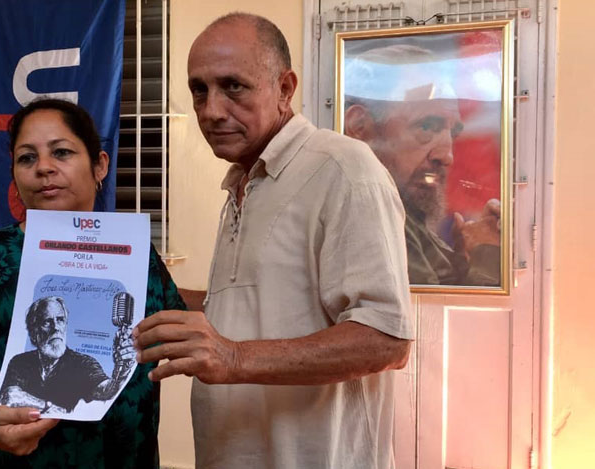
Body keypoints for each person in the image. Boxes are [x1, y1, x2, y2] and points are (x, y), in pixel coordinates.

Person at [134, 13, 413, 469]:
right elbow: (263, 305)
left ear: (285, 88)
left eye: (233, 87)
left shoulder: (343, 169)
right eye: (199, 90)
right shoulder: (243, 182)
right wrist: (146, 299)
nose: (211, 110)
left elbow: (386, 339)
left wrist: (233, 357)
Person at [0, 98, 186, 467]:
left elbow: (172, 328)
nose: (43, 168)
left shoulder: (135, 252)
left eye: (61, 152)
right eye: (27, 157)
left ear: (99, 165)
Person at [342, 44, 501, 286]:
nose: (447, 156)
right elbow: (432, 320)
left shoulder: (401, 213)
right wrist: (487, 254)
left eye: (453, 133)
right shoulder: (371, 217)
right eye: (426, 127)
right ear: (359, 127)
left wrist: (462, 259)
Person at [0, 296, 131, 413]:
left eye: (60, 320)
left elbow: (107, 391)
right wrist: (50, 408)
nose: (56, 327)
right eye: (47, 321)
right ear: (34, 333)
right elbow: (10, 397)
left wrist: (123, 368)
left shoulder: (83, 363)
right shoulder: (20, 362)